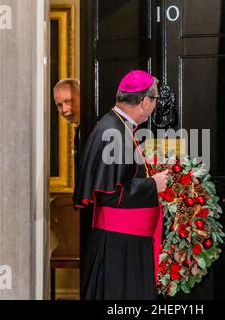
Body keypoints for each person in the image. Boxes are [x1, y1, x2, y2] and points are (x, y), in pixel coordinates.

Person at [73, 70, 169, 300]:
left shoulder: (117, 127)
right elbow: (108, 194)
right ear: (145, 101)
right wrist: (151, 186)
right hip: (119, 247)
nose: (155, 106)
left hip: (125, 243)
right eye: (154, 100)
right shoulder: (111, 131)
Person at [53, 78, 81, 183]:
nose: (64, 110)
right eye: (59, 105)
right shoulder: (79, 130)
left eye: (68, 101)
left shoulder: (98, 131)